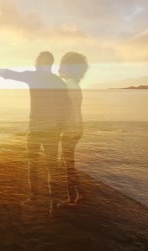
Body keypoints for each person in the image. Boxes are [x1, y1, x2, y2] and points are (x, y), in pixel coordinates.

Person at [0, 51, 71, 205]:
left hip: (35, 128)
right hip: (52, 130)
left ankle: (34, 198)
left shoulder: (33, 76)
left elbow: (9, 74)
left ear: (40, 62)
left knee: (33, 163)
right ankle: (53, 201)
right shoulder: (58, 82)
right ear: (51, 63)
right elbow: (66, 107)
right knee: (52, 166)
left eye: (37, 61)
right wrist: (61, 128)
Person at [58, 52, 89, 206]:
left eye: (62, 65)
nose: (59, 68)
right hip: (77, 127)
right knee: (68, 162)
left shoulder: (67, 85)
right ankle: (80, 194)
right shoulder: (75, 84)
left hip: (71, 129)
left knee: (67, 164)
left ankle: (72, 199)